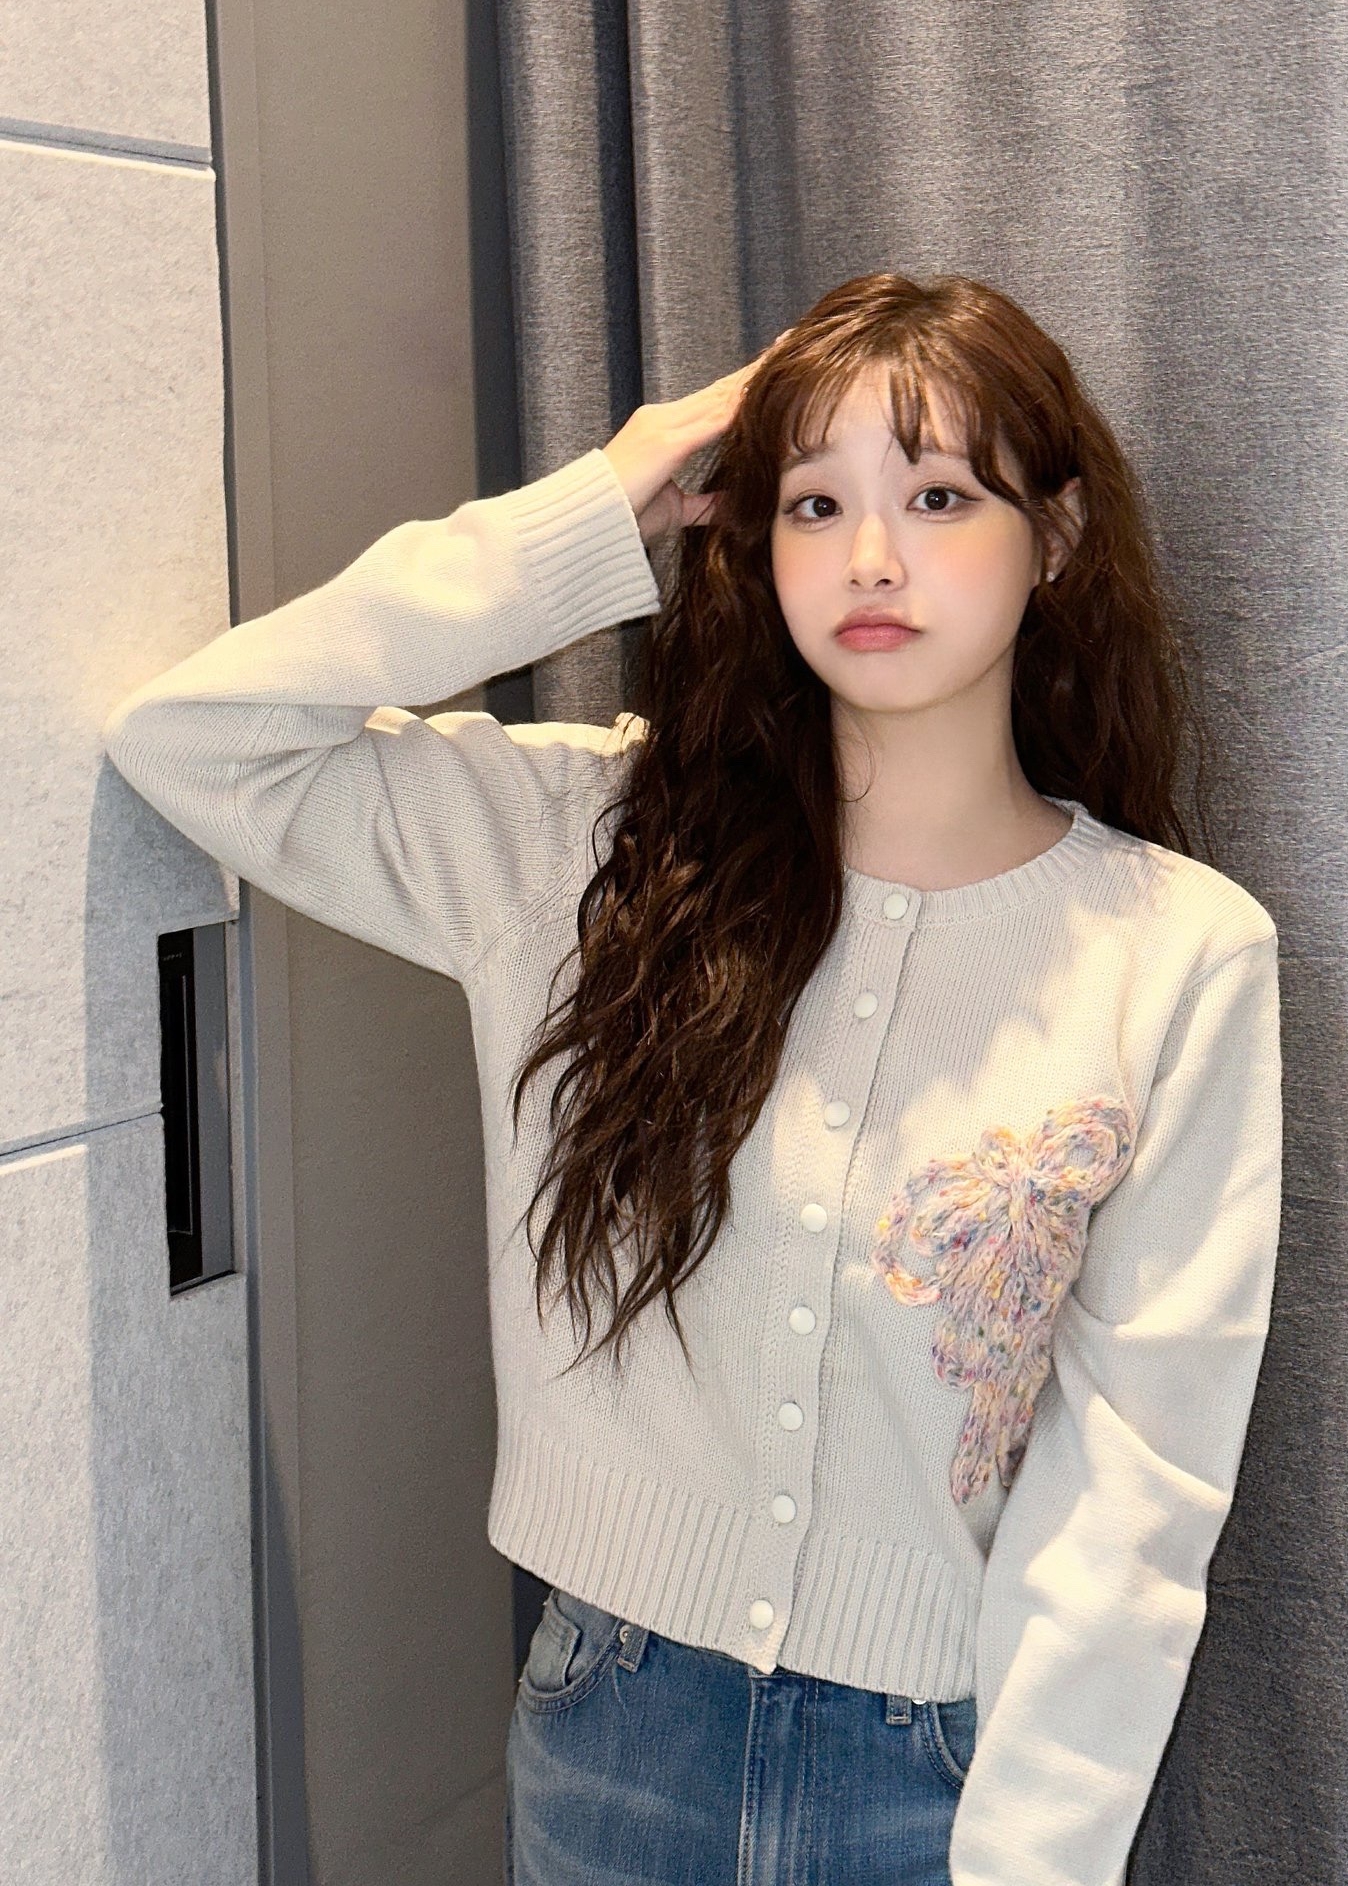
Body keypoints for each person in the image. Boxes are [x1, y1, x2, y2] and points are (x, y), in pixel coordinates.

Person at [103, 270, 1283, 1886]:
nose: (872, 559)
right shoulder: (583, 853)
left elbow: (1138, 1485)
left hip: (945, 1778)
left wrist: (1033, 1859)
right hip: (616, 1739)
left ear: (1057, 536)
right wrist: (604, 503)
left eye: (940, 497)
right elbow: (191, 737)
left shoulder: (1179, 953)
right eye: (815, 503)